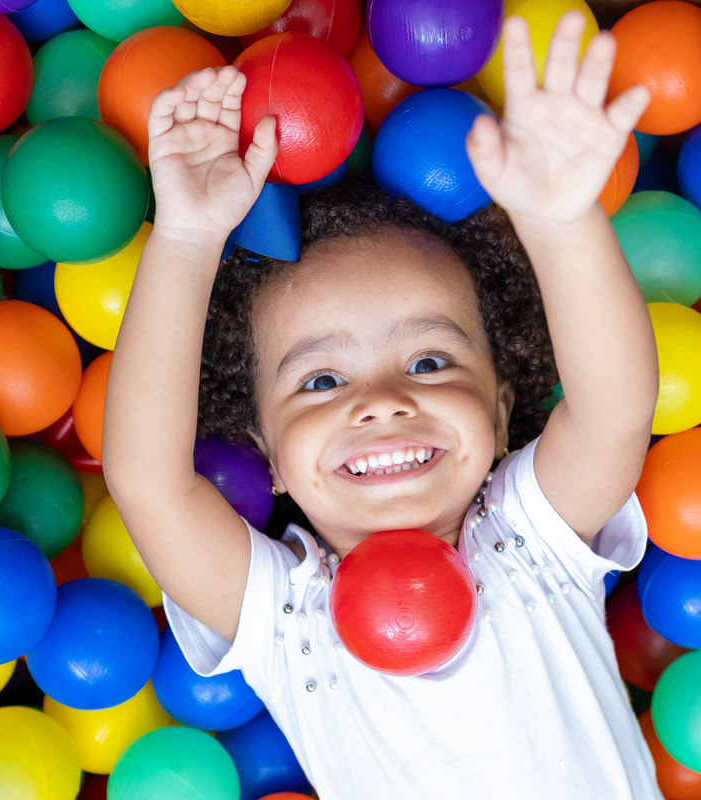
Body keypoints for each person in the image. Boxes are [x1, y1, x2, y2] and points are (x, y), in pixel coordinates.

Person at [104, 10, 663, 799]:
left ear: (502, 409)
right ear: (269, 456)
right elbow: (147, 480)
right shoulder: (284, 619)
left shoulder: (533, 540)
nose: (383, 402)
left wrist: (562, 223)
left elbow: (614, 409)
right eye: (322, 382)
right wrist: (187, 240)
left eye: (429, 361)